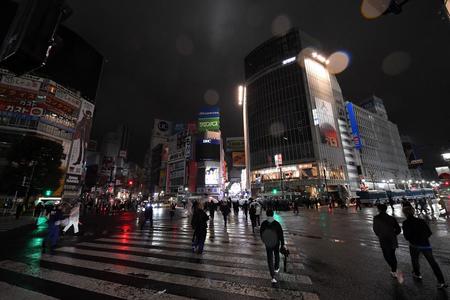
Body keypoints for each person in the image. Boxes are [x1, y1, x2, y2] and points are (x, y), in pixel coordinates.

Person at [402, 206, 447, 289]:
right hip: (425, 245)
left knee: (415, 260)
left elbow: (406, 236)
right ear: (413, 211)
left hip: (414, 245)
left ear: (405, 213)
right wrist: (422, 239)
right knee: (433, 263)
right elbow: (429, 233)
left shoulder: (405, 223)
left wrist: (414, 239)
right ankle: (441, 281)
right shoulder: (421, 221)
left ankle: (417, 274)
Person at [373, 204, 402, 281]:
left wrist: (380, 234)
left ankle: (393, 269)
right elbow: (398, 229)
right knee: (392, 254)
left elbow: (375, 230)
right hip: (392, 239)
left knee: (386, 255)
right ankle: (394, 270)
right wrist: (393, 234)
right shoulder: (392, 218)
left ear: (379, 209)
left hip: (383, 239)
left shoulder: (376, 218)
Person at [260, 209, 285, 284]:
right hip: (276, 243)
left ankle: (272, 276)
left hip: (268, 243)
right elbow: (281, 234)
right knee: (276, 254)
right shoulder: (277, 224)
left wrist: (264, 241)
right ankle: (276, 268)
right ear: (273, 214)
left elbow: (261, 233)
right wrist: (283, 244)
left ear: (267, 215)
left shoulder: (264, 223)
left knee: (269, 258)